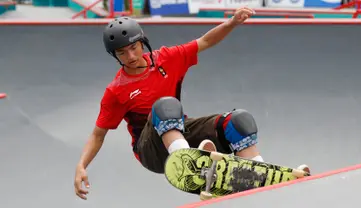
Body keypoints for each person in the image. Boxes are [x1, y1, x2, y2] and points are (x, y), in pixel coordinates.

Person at [74, 7, 309, 200]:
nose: (131, 56)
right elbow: (98, 134)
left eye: (134, 48)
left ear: (143, 43)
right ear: (115, 56)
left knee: (238, 121)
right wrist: (82, 165)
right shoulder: (116, 90)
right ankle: (186, 161)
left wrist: (232, 23)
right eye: (122, 53)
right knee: (165, 106)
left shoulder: (167, 58)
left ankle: (259, 173)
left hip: (179, 130)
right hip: (151, 151)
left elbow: (205, 41)